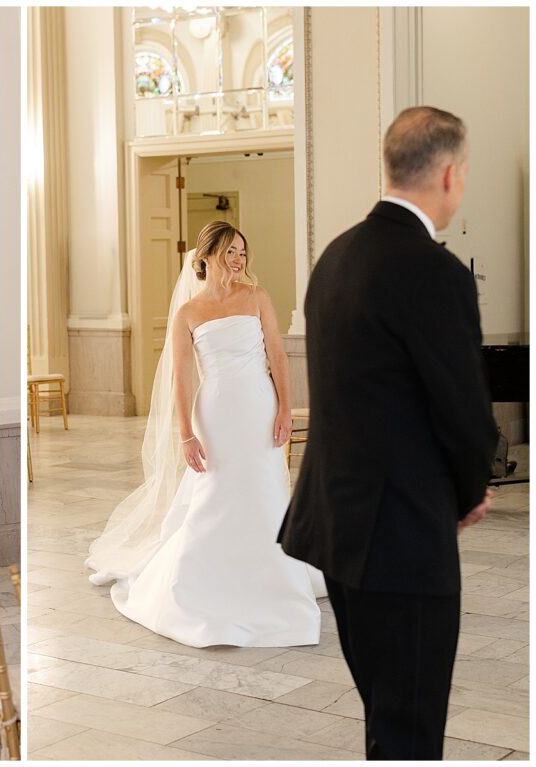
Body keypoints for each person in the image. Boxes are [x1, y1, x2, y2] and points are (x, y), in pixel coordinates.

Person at [278, 106, 498, 760]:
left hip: (340, 537)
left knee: (386, 713)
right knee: (411, 730)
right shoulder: (434, 271)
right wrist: (469, 492)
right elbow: (465, 412)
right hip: (402, 538)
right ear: (451, 174)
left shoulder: (335, 258)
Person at [85, 222, 321, 648]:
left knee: (263, 489)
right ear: (207, 255)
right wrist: (186, 435)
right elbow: (181, 378)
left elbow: (278, 356)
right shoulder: (188, 313)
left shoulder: (256, 296)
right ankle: (199, 582)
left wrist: (285, 407)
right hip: (214, 414)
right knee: (214, 493)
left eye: (243, 253)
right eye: (230, 251)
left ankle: (271, 577)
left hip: (259, 407)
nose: (238, 260)